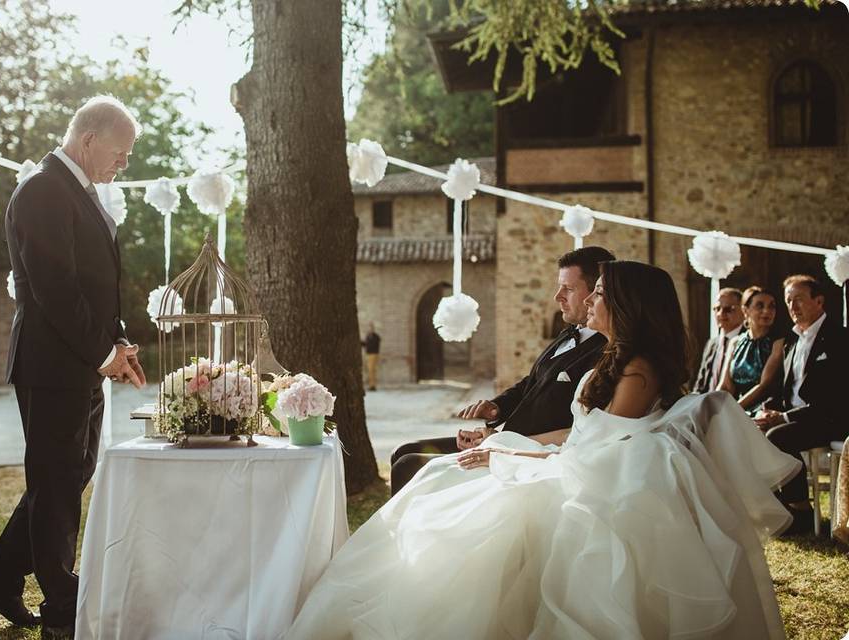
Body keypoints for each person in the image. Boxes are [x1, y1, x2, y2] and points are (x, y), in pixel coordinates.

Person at [285, 261, 798, 640]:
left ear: (624, 304)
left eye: (597, 294)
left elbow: (594, 450)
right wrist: (504, 446)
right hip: (576, 458)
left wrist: (508, 456)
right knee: (442, 478)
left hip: (598, 482)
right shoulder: (614, 359)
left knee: (471, 508)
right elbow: (582, 433)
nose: (590, 302)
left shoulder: (638, 370)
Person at [0, 96, 147, 638]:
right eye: (120, 152)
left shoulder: (79, 190)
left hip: (78, 361)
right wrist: (101, 352)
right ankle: (62, 604)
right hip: (50, 364)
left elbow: (89, 284)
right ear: (88, 140)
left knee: (66, 475)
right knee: (58, 481)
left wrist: (114, 341)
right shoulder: (42, 190)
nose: (123, 164)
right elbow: (55, 290)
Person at [388, 246, 615, 495]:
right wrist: (497, 408)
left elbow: (579, 428)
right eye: (559, 286)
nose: (557, 296)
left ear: (596, 292)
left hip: (527, 454)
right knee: (403, 451)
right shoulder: (569, 333)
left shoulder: (606, 353)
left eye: (568, 289)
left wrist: (498, 443)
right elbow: (533, 382)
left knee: (407, 466)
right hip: (500, 439)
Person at [755, 274, 849, 534]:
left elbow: (836, 398)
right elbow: (783, 391)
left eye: (799, 300)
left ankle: (800, 510)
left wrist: (783, 418)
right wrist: (767, 410)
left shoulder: (840, 338)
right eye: (788, 301)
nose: (792, 307)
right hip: (795, 417)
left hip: (830, 419)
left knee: (778, 435)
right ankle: (772, 506)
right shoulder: (792, 341)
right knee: (753, 430)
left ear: (819, 301)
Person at [718, 286, 784, 412]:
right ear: (745, 310)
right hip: (734, 408)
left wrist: (733, 410)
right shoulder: (735, 342)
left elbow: (763, 387)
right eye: (760, 306)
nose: (767, 311)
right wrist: (715, 409)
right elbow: (725, 386)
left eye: (771, 306)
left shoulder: (778, 342)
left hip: (763, 410)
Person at [693, 287, 744, 392]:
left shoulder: (747, 341)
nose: (721, 314)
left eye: (728, 309)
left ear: (743, 310)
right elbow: (700, 383)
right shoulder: (712, 343)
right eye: (717, 308)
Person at [362, 323, 381, 391]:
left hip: (373, 354)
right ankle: (371, 384)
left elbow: (372, 345)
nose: (369, 330)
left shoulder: (376, 337)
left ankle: (373, 385)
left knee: (372, 370)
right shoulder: (368, 336)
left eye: (370, 328)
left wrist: (367, 344)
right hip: (368, 355)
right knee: (369, 370)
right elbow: (366, 344)